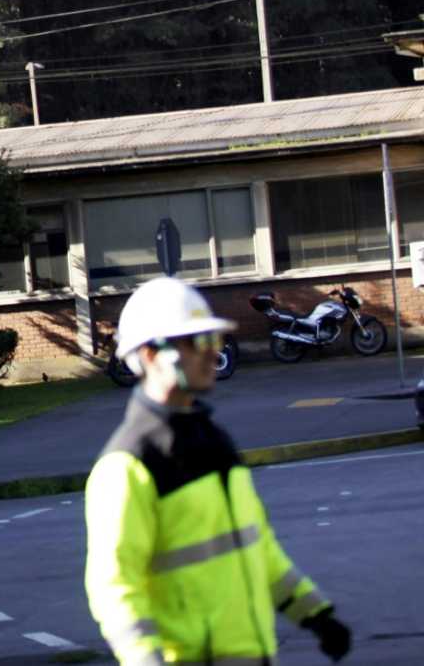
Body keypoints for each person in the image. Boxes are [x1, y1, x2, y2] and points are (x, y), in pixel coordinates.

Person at [84, 277, 351, 665]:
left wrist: (316, 615)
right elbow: (115, 588)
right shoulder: (127, 465)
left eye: (213, 341)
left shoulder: (215, 441)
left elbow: (256, 548)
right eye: (198, 342)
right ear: (152, 355)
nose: (214, 353)